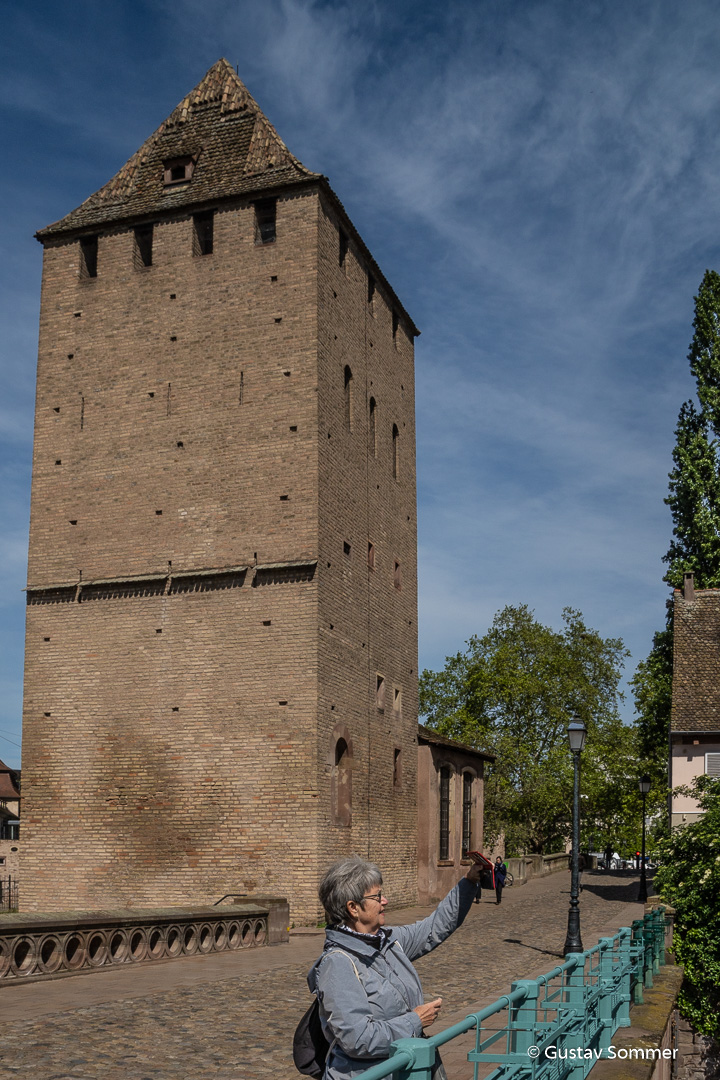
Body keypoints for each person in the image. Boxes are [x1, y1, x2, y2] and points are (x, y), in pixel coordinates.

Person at [307, 855, 483, 1080]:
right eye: (377, 896)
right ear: (353, 908)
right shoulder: (338, 963)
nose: (385, 901)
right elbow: (357, 1038)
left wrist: (468, 881)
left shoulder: (387, 940)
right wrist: (415, 1021)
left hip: (403, 1069)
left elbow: (434, 927)